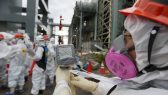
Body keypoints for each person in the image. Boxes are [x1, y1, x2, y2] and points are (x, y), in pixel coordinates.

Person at [69, 0, 168, 95]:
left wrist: (62, 88)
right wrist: (97, 87)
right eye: (124, 35)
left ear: (158, 46)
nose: (121, 44)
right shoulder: (155, 77)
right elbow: (134, 88)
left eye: (130, 36)